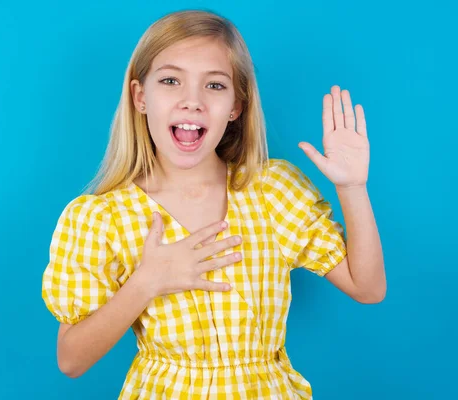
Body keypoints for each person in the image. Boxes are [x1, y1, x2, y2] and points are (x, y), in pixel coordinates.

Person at [41, 9, 386, 399]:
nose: (192, 102)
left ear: (237, 106)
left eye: (215, 86)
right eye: (171, 81)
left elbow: (368, 288)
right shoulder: (100, 219)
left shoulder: (272, 192)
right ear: (140, 96)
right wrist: (146, 282)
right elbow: (71, 359)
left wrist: (353, 188)